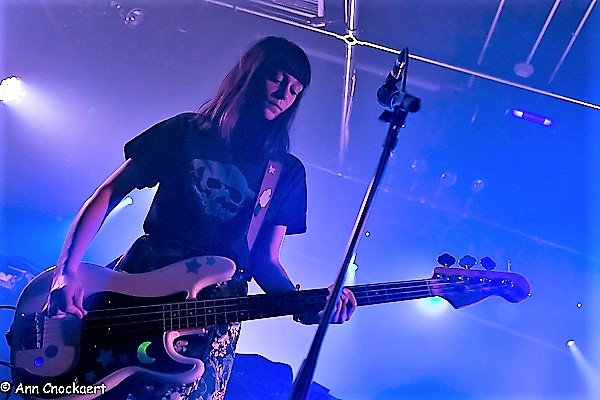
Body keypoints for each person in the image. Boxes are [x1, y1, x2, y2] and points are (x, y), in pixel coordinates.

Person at [46, 36, 357, 400]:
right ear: (251, 73)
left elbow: (265, 260)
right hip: (137, 289)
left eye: (294, 90)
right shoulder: (185, 132)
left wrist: (303, 305)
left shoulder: (285, 171)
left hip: (209, 319)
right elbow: (108, 194)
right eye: (278, 79)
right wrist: (66, 271)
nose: (283, 95)